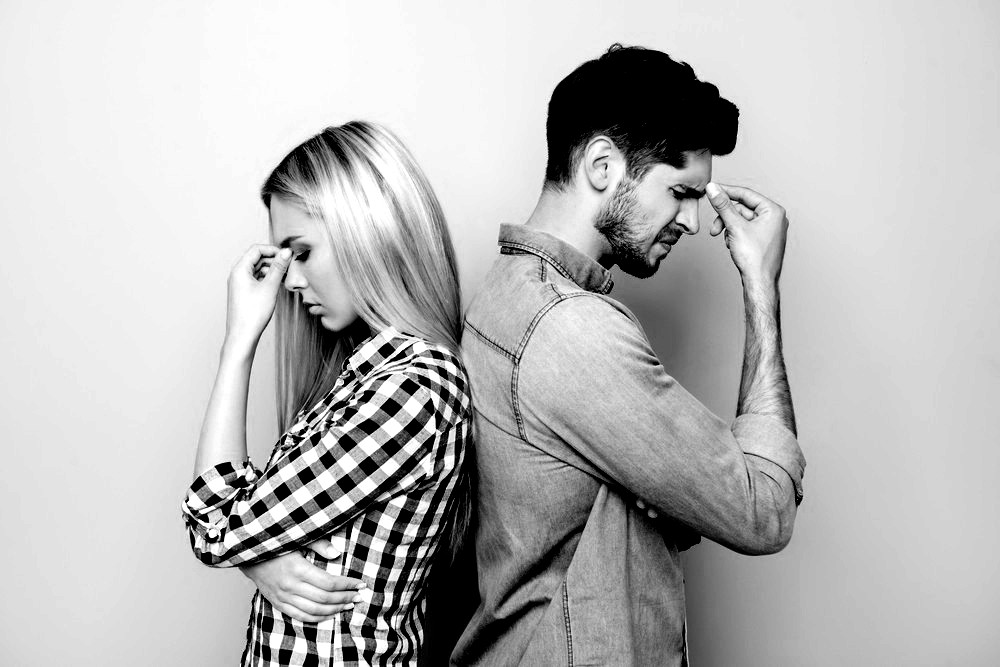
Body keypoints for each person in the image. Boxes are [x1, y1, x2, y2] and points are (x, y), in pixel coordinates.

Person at [451, 45, 806, 666]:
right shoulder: (572, 330)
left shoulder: (504, 293)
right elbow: (762, 510)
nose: (692, 222)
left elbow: (660, 500)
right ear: (602, 165)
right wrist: (761, 285)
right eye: (680, 192)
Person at [180, 121, 473, 666]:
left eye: (303, 252)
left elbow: (214, 526)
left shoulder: (413, 391)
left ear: (369, 233)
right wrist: (258, 554)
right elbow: (236, 520)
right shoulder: (359, 379)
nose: (290, 282)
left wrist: (248, 549)